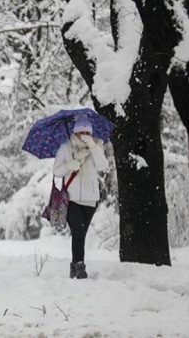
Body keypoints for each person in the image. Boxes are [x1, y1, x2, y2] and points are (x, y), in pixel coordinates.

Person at [53, 114, 109, 279]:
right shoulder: (66, 147)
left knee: (81, 234)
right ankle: (79, 266)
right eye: (81, 132)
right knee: (78, 232)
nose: (84, 136)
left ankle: (74, 266)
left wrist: (93, 146)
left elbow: (103, 166)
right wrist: (70, 165)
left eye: (88, 133)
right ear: (75, 133)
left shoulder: (96, 146)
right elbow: (56, 171)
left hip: (91, 199)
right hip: (72, 198)